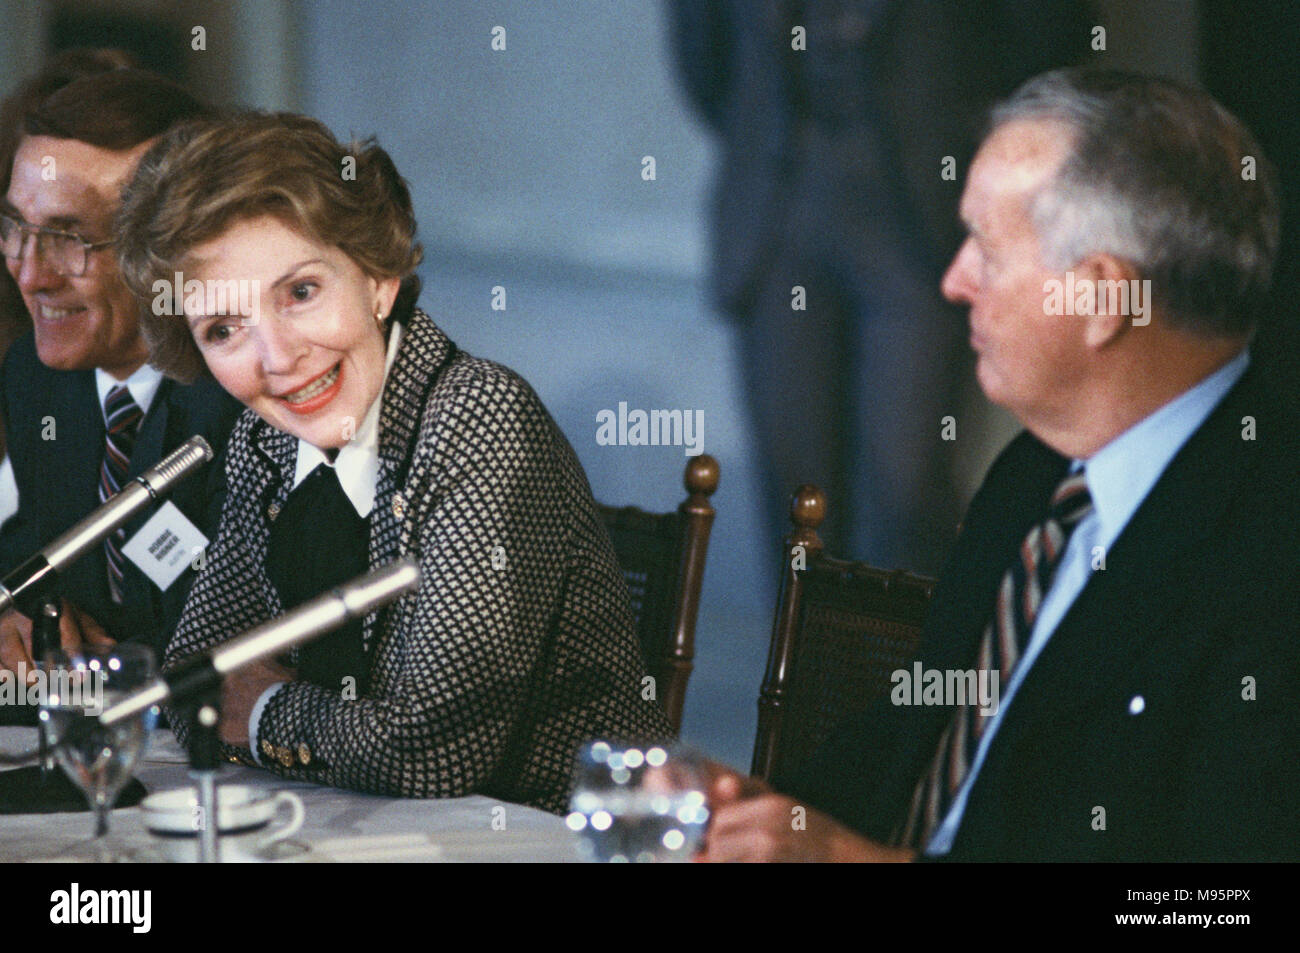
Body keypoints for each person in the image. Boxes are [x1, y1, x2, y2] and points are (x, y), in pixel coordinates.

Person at [699, 69, 1300, 862]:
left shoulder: (1269, 547)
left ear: (1098, 300)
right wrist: (747, 811)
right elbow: (908, 745)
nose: (954, 281)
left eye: (986, 247)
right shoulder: (1034, 476)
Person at [115, 112, 671, 812]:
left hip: (559, 840)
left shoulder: (478, 417)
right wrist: (281, 717)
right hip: (368, 829)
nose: (279, 359)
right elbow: (195, 679)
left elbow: (436, 749)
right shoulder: (266, 439)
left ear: (378, 276)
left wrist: (262, 712)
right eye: (224, 330)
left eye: (301, 293)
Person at [668, 0, 1090, 573]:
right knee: (794, 495)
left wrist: (976, 138)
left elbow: (1048, 40)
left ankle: (905, 662)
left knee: (906, 496)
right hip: (777, 202)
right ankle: (802, 662)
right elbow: (705, 54)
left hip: (917, 207)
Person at [0, 68, 242, 680]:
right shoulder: (37, 377)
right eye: (16, 229)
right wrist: (23, 609)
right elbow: (32, 543)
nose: (30, 275)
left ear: (171, 244)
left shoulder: (247, 393)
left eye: (69, 238)